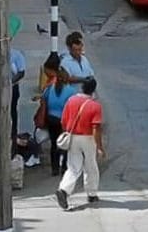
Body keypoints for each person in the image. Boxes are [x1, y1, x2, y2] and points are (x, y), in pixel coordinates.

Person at [56, 78, 103, 209]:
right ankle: (92, 193)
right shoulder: (95, 106)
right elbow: (96, 128)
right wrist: (99, 146)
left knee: (73, 167)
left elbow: (64, 121)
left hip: (73, 137)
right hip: (88, 138)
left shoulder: (71, 101)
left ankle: (64, 190)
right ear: (93, 90)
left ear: (82, 87)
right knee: (91, 166)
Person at [41, 56, 76, 176]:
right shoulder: (70, 91)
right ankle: (64, 167)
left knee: (54, 143)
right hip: (64, 120)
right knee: (65, 144)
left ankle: (54, 168)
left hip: (51, 119)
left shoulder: (49, 89)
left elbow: (43, 100)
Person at [9, 47, 26, 142]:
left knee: (12, 110)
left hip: (12, 87)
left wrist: (9, 82)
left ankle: (13, 133)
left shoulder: (16, 54)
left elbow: (21, 72)